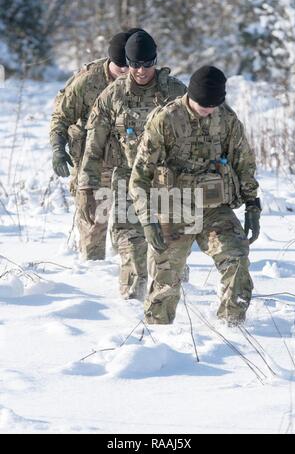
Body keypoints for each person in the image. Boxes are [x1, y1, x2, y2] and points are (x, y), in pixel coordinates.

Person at [129, 66, 261, 326]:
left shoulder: (226, 119)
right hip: (174, 207)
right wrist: (147, 220)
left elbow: (244, 163)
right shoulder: (165, 120)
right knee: (166, 277)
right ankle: (158, 334)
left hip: (214, 207)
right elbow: (140, 177)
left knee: (236, 258)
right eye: (203, 105)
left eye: (213, 105)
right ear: (190, 95)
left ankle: (233, 327)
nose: (208, 111)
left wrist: (252, 204)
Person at [78, 30, 186, 300]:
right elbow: (94, 144)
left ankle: (178, 310)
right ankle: (130, 308)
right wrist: (88, 186)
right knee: (131, 247)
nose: (141, 71)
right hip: (128, 179)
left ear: (156, 61)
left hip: (168, 180)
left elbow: (206, 129)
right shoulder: (112, 95)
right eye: (135, 64)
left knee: (171, 252)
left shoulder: (175, 91)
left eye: (147, 64)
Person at [50, 29, 141, 260]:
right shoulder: (88, 80)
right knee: (93, 227)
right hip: (94, 162)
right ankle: (93, 279)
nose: (125, 74)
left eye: (129, 67)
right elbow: (61, 116)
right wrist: (58, 148)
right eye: (121, 68)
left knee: (133, 227)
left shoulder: (141, 80)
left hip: (130, 163)